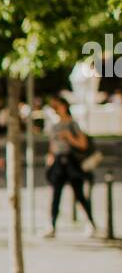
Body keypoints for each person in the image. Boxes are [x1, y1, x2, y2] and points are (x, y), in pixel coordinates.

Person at [43, 93, 97, 238]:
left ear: (64, 106)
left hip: (72, 163)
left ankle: (91, 223)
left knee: (79, 195)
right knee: (56, 196)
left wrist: (69, 137)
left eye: (58, 105)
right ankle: (52, 225)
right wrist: (50, 159)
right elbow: (52, 147)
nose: (55, 109)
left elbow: (83, 144)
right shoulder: (54, 126)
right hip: (59, 164)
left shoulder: (73, 124)